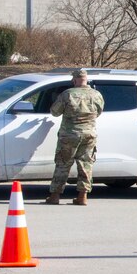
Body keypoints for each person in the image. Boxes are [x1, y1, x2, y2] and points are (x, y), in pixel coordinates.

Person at [45, 68, 105, 206]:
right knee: (86, 165)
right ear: (86, 79)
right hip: (89, 134)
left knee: (63, 164)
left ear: (75, 79)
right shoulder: (97, 95)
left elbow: (54, 112)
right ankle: (82, 196)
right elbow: (99, 112)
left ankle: (55, 196)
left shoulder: (67, 94)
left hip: (69, 135)